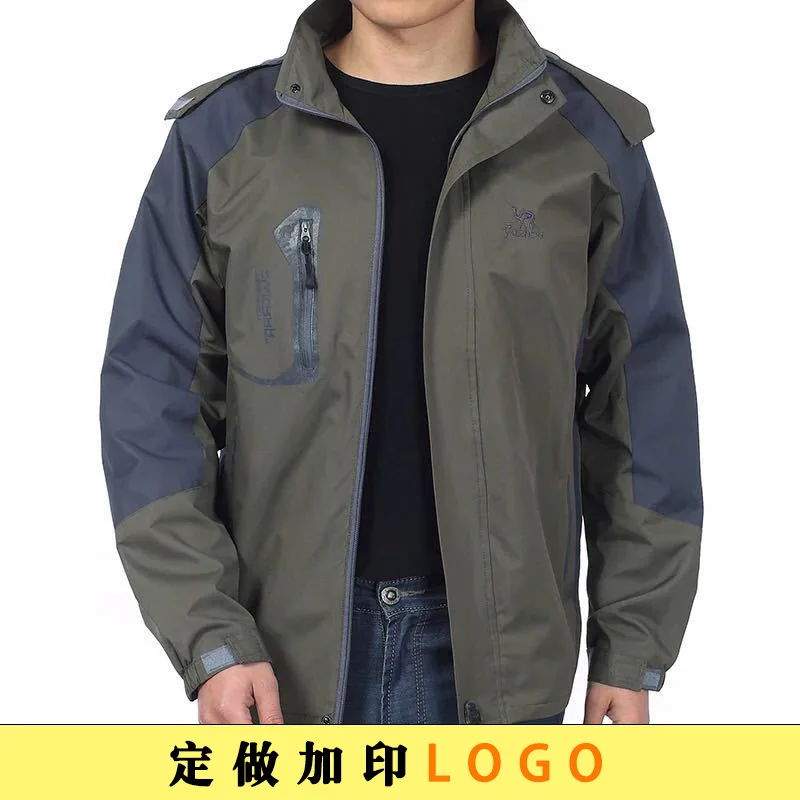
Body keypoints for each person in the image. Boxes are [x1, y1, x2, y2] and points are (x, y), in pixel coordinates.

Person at [99, 0, 703, 725]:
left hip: (506, 666)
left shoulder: (581, 141)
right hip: (279, 666)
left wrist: (632, 641)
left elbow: (643, 402)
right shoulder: (225, 140)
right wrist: (210, 633)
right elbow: (153, 395)